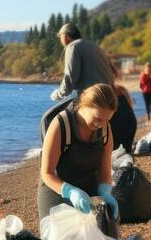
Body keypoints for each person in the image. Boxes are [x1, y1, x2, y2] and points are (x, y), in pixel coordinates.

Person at [38, 83, 119, 222]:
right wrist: (71, 192)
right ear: (84, 105)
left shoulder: (105, 128)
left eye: (107, 120)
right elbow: (47, 173)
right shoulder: (61, 124)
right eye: (97, 118)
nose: (101, 124)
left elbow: (105, 172)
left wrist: (105, 192)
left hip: (88, 191)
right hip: (57, 191)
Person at [50, 22, 115, 101]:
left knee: (61, 113)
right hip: (110, 95)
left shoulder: (72, 47)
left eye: (60, 37)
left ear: (66, 36)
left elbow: (70, 78)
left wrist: (59, 94)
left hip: (93, 96)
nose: (60, 40)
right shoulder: (93, 45)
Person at [108, 57, 137, 152]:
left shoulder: (105, 93)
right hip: (129, 131)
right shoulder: (122, 90)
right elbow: (131, 109)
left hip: (116, 136)